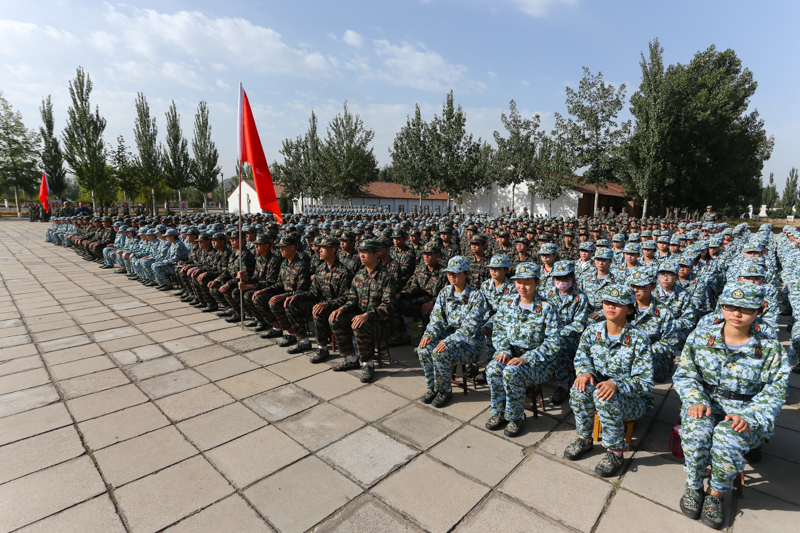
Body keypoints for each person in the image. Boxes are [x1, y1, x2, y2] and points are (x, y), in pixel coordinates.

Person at [673, 282, 789, 529]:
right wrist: (695, 399)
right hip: (705, 405)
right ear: (721, 307)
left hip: (746, 413)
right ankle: (693, 486)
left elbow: (775, 392)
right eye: (730, 306)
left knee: (729, 436)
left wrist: (749, 416)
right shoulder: (701, 337)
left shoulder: (770, 349)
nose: (737, 313)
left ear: (758, 311)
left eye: (745, 308)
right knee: (697, 429)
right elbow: (685, 375)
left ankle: (716, 494)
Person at [563, 285, 654, 477]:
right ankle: (585, 438)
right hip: (599, 387)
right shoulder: (592, 331)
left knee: (605, 397)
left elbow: (645, 383)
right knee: (579, 389)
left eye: (617, 304)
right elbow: (582, 358)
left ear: (629, 309)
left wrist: (617, 384)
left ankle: (615, 452)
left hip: (632, 399)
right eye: (607, 302)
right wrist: (585, 372)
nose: (610, 307)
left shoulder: (639, 339)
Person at [485, 262, 560, 437]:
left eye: (527, 282)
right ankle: (499, 411)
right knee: (493, 368)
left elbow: (553, 343)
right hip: (511, 353)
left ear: (537, 282)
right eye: (519, 282)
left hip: (537, 362)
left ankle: (516, 416)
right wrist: (504, 350)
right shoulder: (507, 302)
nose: (522, 287)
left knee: (511, 372)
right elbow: (499, 331)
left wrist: (527, 358)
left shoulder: (547, 307)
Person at [417, 256, 487, 408]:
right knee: (423, 349)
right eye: (449, 272)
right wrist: (429, 334)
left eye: (456, 273)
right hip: (447, 337)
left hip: (469, 344)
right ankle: (433, 388)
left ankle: (445, 390)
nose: (451, 276)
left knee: (440, 353)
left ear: (466, 274)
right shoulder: (445, 292)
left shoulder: (476, 296)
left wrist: (447, 342)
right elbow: (436, 319)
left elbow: (469, 329)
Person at [329, 239, 396, 383]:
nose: (362, 255)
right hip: (362, 317)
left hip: (382, 323)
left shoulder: (386, 277)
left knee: (360, 324)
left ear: (377, 254)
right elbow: (352, 299)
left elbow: (387, 307)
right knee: (336, 319)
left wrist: (367, 315)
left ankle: (367, 364)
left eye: (366, 252)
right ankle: (351, 358)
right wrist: (342, 308)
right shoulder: (359, 275)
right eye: (360, 252)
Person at [284, 236, 354, 358]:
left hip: (336, 308)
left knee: (319, 312)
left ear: (333, 250)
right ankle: (303, 341)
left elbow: (345, 298)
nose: (319, 250)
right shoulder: (321, 268)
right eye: (319, 248)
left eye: (323, 248)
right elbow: (313, 292)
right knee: (291, 305)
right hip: (321, 304)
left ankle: (322, 348)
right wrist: (297, 296)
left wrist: (327, 304)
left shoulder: (343, 272)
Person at [545, 261, 590, 405]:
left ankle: (563, 385)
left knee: (559, 346)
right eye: (558, 278)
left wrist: (558, 333)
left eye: (565, 278)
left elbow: (579, 323)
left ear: (572, 277)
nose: (561, 281)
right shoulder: (549, 294)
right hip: (550, 333)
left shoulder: (580, 297)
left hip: (572, 337)